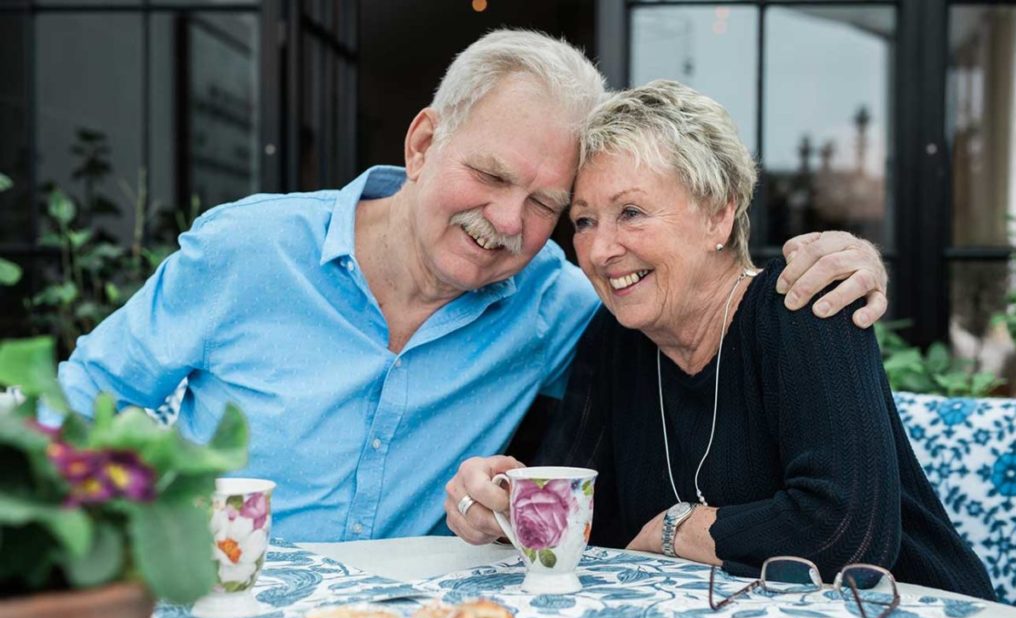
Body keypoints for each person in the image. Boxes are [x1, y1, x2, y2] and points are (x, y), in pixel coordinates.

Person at [55, 31, 889, 543]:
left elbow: (693, 299)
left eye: (545, 205)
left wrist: (845, 258)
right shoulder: (249, 249)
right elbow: (84, 401)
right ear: (423, 143)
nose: (505, 220)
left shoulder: (562, 304)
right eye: (488, 174)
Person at [445, 80, 995, 600]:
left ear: (719, 214)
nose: (599, 250)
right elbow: (577, 518)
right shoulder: (615, 337)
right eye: (584, 221)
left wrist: (676, 528)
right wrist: (496, 504)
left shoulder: (802, 304)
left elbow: (842, 534)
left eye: (631, 212)